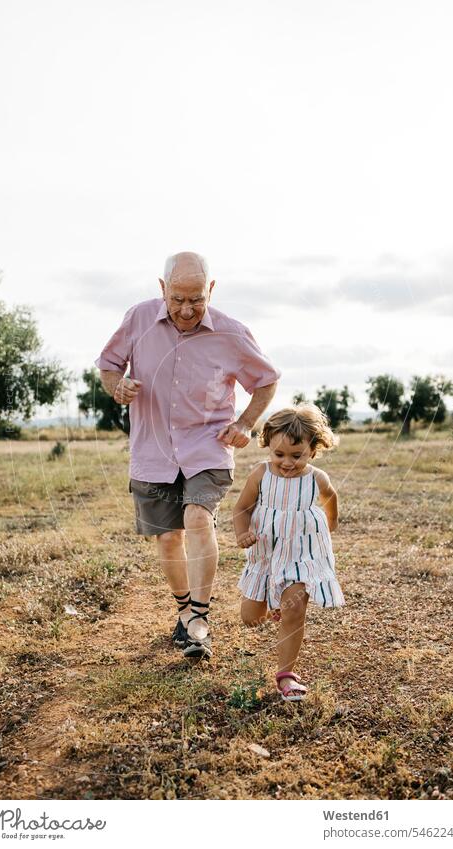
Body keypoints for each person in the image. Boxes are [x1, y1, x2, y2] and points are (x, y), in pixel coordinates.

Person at [95, 251, 280, 660]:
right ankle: (184, 615)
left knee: (197, 517)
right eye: (177, 298)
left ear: (210, 289)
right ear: (162, 289)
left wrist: (246, 423)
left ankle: (200, 620)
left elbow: (266, 381)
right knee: (167, 540)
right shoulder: (139, 319)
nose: (186, 308)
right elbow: (108, 365)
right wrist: (116, 386)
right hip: (152, 450)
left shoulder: (232, 333)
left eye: (196, 298)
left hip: (207, 449)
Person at [233, 404, 344, 700]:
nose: (287, 462)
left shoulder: (316, 478)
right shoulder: (261, 473)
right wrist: (242, 533)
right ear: (268, 445)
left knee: (295, 610)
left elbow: (330, 497)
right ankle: (273, 603)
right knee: (251, 617)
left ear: (313, 449)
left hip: (301, 554)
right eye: (279, 454)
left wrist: (331, 521)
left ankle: (286, 676)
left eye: (297, 456)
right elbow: (242, 508)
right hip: (266, 553)